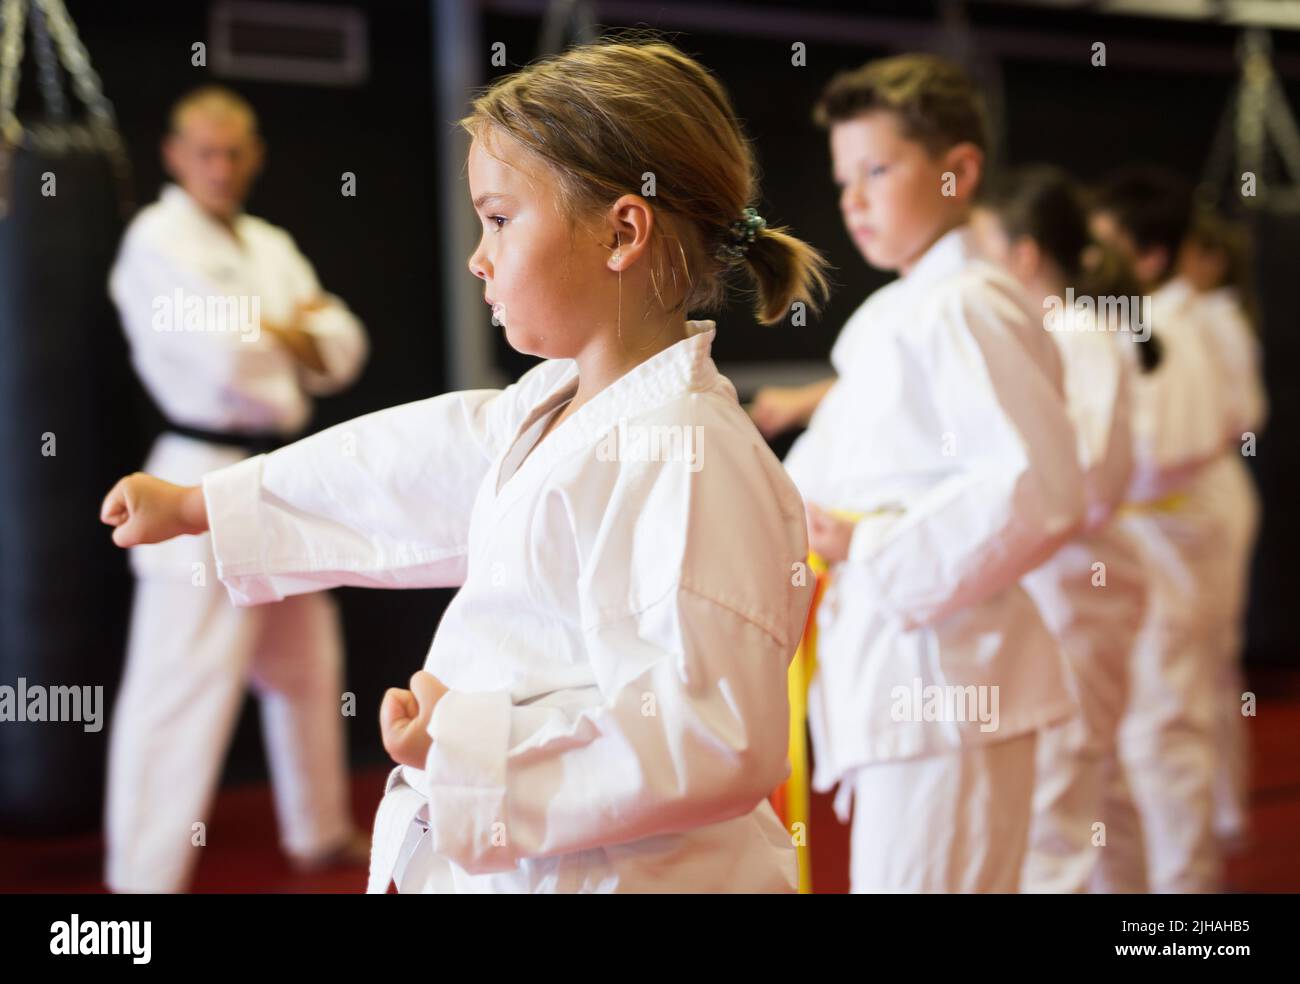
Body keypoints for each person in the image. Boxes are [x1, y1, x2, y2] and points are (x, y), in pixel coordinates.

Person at [101, 36, 829, 894]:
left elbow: (711, 735)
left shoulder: (691, 458)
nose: (478, 256)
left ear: (622, 231)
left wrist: (472, 752)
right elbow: (401, 469)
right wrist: (207, 506)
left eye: (500, 219)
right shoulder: (550, 404)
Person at [759, 54, 1085, 893]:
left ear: (958, 172)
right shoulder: (897, 311)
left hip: (949, 684)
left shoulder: (968, 303)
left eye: (877, 171)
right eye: (843, 180)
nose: (853, 200)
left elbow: (1040, 490)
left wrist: (866, 545)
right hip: (898, 671)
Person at [104, 85, 370, 893]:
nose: (220, 167)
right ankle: (142, 879)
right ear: (174, 155)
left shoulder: (269, 242)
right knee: (180, 682)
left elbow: (345, 347)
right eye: (205, 152)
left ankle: (319, 830)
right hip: (195, 468)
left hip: (276, 475)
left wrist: (271, 329)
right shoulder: (155, 238)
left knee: (307, 666)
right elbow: (221, 357)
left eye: (234, 152)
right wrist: (291, 328)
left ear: (253, 156)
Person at [970, 165, 1147, 893]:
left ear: (1023, 256)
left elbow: (1080, 480)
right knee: (1091, 787)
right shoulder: (1049, 334)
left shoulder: (1078, 333)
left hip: (1077, 578)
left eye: (982, 252)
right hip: (1057, 576)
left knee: (1060, 798)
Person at [1089, 167, 1235, 892]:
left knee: (1163, 730)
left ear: (1148, 257)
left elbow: (1168, 453)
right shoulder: (1137, 322)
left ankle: (1186, 912)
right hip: (1145, 536)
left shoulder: (1169, 330)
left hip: (1166, 538)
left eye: (1104, 247)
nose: (1090, 261)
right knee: (1129, 737)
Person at [1178, 210, 1267, 855]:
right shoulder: (1177, 317)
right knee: (1196, 661)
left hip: (1210, 488)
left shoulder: (1215, 319)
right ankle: (1212, 806)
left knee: (1210, 653)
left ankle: (1221, 809)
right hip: (1187, 495)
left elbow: (1245, 414)